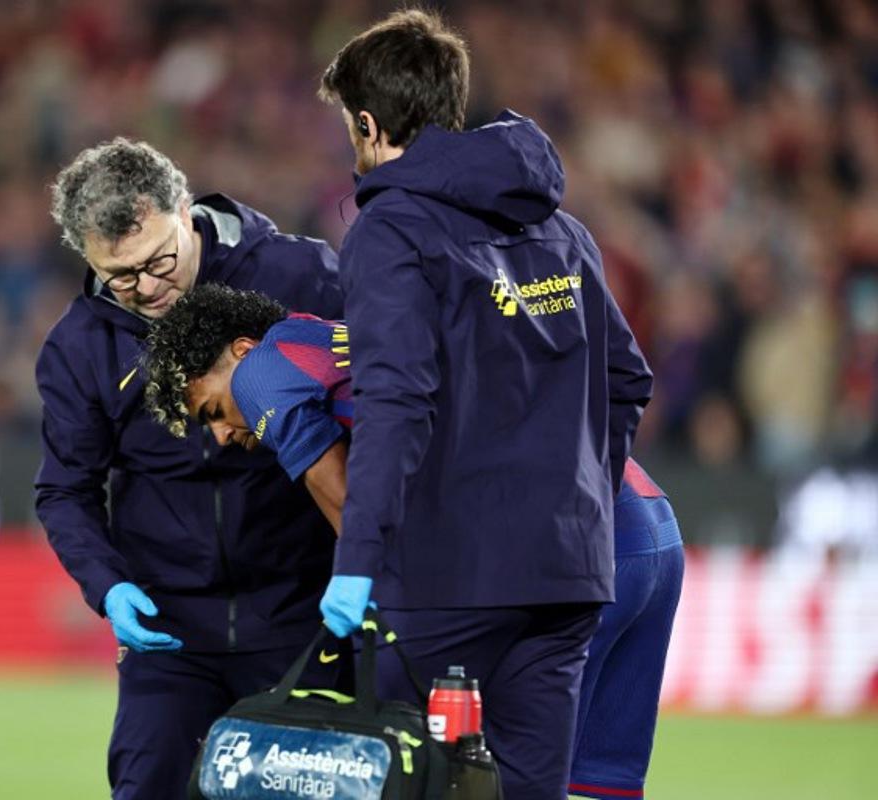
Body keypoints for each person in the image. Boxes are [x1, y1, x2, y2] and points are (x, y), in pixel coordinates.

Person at [142, 284, 683, 800]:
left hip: (568, 539)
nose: (220, 435)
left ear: (241, 350)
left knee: (478, 765)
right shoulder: (329, 339)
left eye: (211, 410)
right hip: (647, 523)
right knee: (592, 781)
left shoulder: (262, 368)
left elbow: (343, 500)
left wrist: (368, 581)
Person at [315, 10, 654, 800]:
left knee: (387, 781)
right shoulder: (561, 229)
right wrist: (579, 504)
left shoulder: (391, 228)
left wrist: (357, 561)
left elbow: (396, 401)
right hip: (566, 575)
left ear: (368, 124)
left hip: (446, 576)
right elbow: (627, 380)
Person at [36, 138, 344, 799]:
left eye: (157, 261)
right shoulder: (80, 346)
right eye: (120, 276)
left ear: (185, 209)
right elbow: (64, 489)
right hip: (170, 633)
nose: (146, 288)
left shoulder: (301, 277)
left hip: (302, 616)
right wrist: (108, 587)